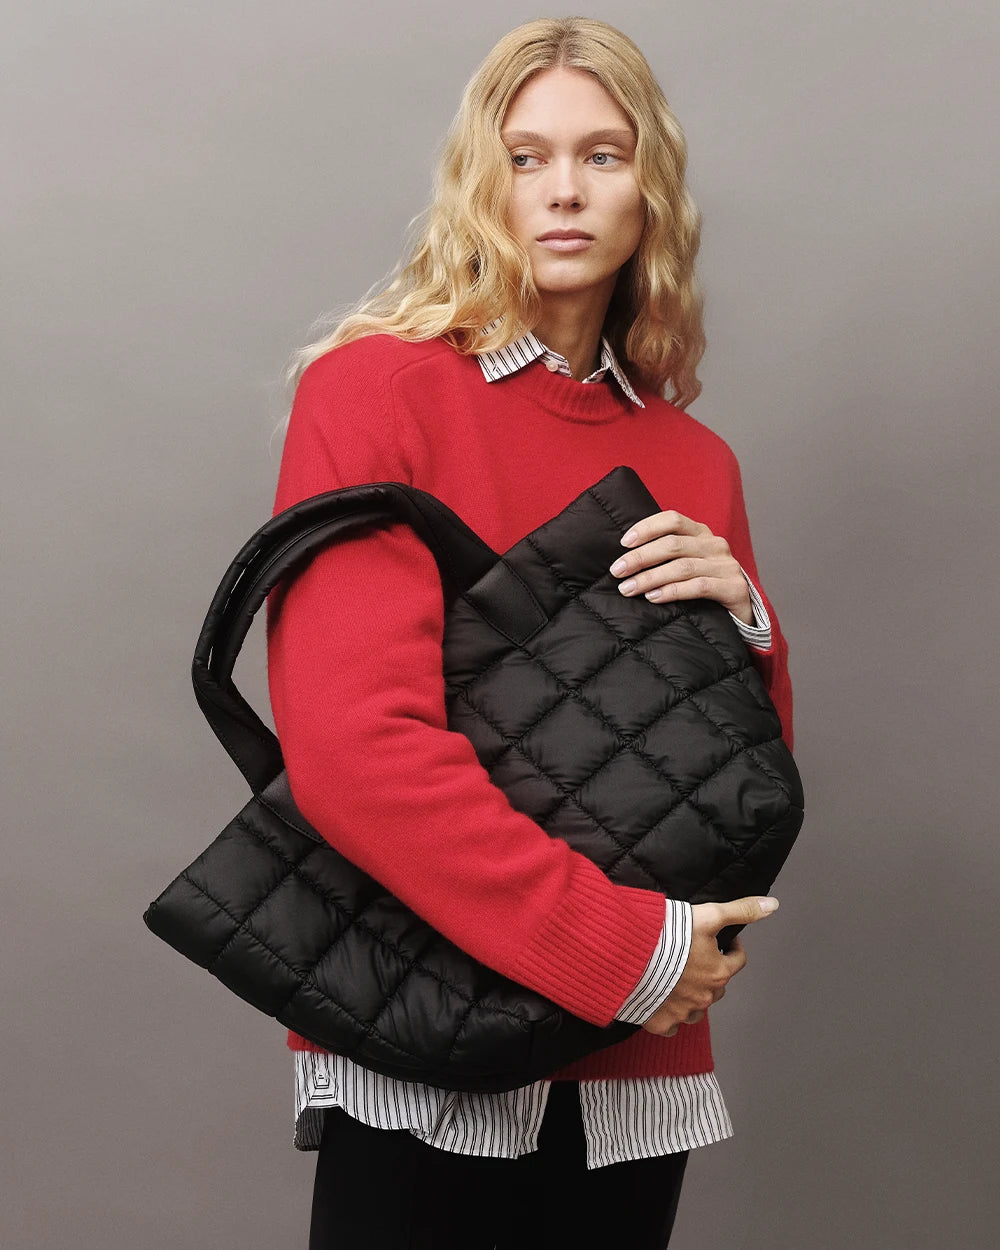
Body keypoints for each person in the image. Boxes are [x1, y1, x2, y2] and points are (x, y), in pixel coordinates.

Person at [265, 16, 793, 1249]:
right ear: (479, 181)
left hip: (630, 1060)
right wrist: (624, 948)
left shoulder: (689, 457)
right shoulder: (375, 391)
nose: (562, 189)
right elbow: (356, 752)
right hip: (431, 1024)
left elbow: (739, 785)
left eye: (603, 155)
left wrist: (745, 622)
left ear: (650, 190)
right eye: (525, 155)